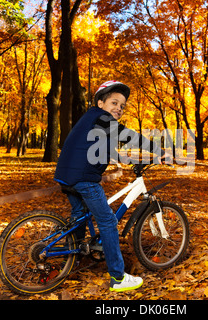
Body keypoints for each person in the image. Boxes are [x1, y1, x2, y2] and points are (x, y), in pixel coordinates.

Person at [54, 80, 169, 292]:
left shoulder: (92, 119)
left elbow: (99, 146)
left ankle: (72, 258)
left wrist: (119, 157)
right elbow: (128, 136)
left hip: (66, 174)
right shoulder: (101, 117)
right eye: (114, 102)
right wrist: (159, 151)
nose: (118, 108)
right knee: (107, 221)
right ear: (100, 103)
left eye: (122, 106)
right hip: (83, 177)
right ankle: (118, 277)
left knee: (79, 214)